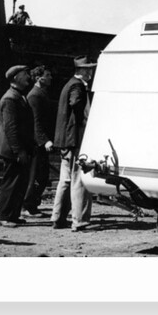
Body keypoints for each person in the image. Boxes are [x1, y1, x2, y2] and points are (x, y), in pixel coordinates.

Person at [51, 55, 96, 231]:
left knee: (66, 180)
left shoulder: (69, 84)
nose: (91, 72)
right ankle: (79, 220)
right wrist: (83, 123)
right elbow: (76, 104)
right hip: (75, 140)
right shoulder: (78, 86)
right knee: (79, 180)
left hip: (66, 141)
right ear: (82, 71)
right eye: (89, 69)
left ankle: (57, 217)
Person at [0, 65, 35, 228]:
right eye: (25, 74)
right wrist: (19, 151)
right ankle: (4, 216)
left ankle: (13, 214)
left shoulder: (17, 96)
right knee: (11, 183)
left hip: (19, 149)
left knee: (19, 183)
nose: (28, 76)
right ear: (16, 77)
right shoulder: (10, 98)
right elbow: (10, 128)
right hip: (13, 150)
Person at [24, 65, 57, 217]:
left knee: (41, 176)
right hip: (37, 144)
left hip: (40, 142)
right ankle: (29, 206)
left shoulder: (41, 93)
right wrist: (44, 141)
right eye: (48, 75)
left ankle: (31, 205)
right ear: (39, 78)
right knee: (37, 176)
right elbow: (36, 121)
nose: (50, 78)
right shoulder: (35, 96)